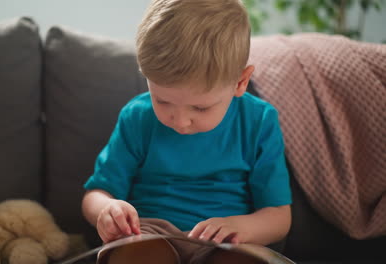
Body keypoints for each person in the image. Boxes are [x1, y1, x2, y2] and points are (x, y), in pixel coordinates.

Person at [82, 0, 292, 263]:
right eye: (162, 101)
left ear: (240, 82)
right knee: (137, 255)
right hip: (149, 234)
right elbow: (96, 194)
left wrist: (242, 227)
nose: (180, 121)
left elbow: (279, 217)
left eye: (200, 108)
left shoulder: (259, 121)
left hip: (226, 241)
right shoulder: (137, 117)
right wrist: (107, 209)